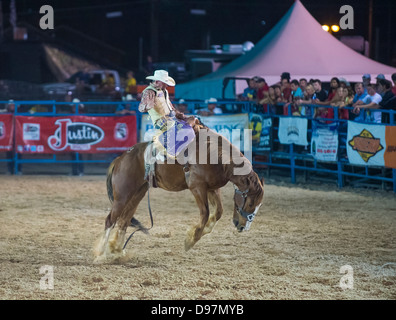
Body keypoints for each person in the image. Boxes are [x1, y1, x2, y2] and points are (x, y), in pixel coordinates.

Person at [138, 70, 197, 159]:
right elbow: (141, 108)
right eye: (165, 83)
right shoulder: (149, 92)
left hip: (170, 118)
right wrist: (147, 105)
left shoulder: (164, 91)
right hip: (160, 122)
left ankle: (171, 150)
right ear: (157, 82)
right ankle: (165, 151)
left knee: (191, 123)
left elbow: (170, 107)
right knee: (187, 130)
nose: (166, 85)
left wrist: (179, 115)